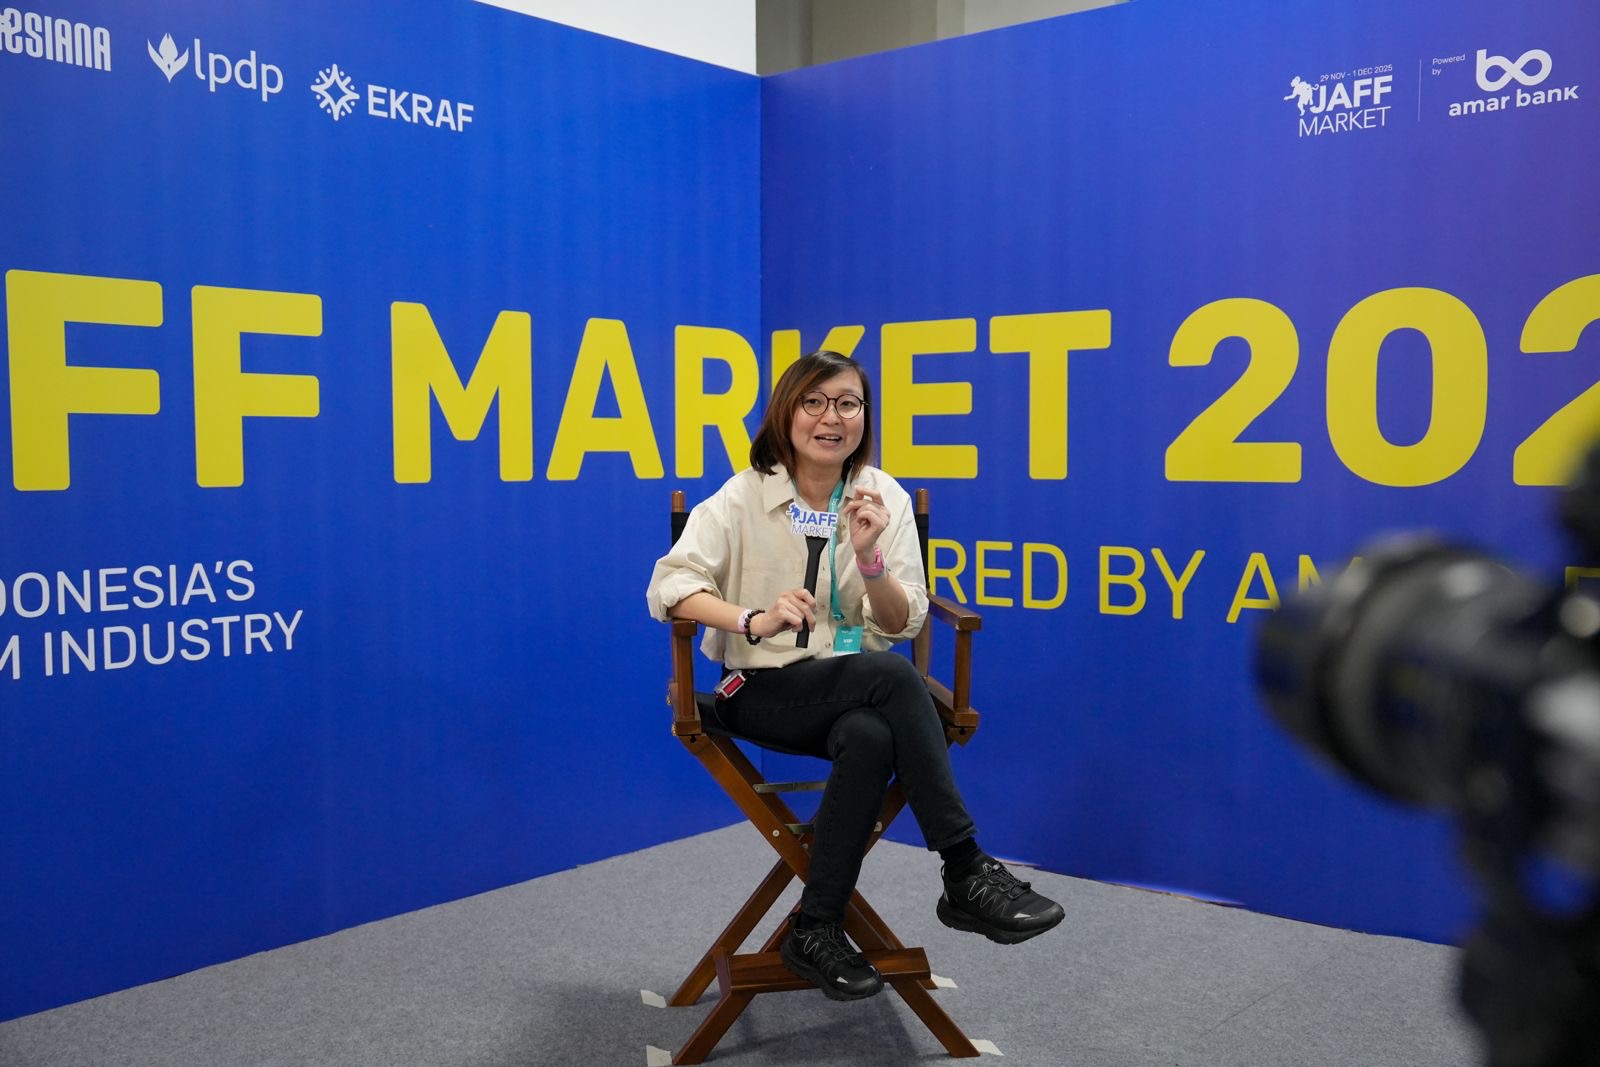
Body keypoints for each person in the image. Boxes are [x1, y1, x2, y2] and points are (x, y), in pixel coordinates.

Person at [646, 350, 1063, 1002]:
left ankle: (815, 927)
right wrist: (753, 618)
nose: (831, 417)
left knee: (870, 733)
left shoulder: (882, 495)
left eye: (847, 403)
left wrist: (870, 559)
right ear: (786, 414)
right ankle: (963, 866)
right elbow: (670, 588)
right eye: (814, 402)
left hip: (853, 689)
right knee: (891, 680)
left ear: (865, 416)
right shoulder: (743, 494)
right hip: (756, 687)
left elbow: (901, 621)